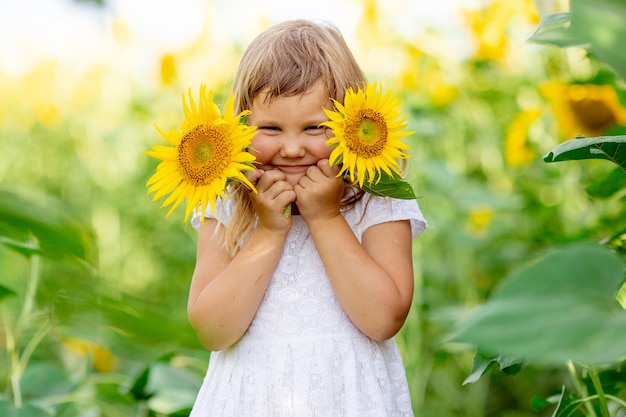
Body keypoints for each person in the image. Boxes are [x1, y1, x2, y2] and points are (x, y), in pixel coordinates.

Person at [187, 19, 427, 417]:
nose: (293, 148)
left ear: (355, 122)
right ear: (241, 126)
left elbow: (383, 319)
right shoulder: (227, 204)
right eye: (271, 128)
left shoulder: (377, 199)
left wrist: (326, 217)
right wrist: (267, 232)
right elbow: (213, 330)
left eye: (316, 127)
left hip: (349, 400)